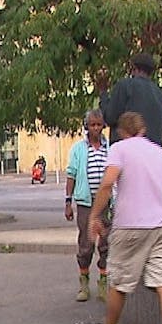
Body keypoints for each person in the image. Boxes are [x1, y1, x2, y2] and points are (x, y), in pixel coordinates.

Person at [81, 111, 162, 324]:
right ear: (142, 129)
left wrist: (94, 216)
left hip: (130, 227)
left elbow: (107, 184)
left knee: (120, 282)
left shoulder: (119, 150)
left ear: (121, 131)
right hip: (160, 227)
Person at [63, 110, 111, 302]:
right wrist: (68, 202)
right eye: (92, 125)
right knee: (86, 244)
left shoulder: (111, 149)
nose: (96, 128)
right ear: (87, 127)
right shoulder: (78, 150)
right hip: (85, 204)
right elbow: (71, 175)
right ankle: (84, 282)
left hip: (106, 204)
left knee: (106, 244)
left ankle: (103, 283)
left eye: (99, 125)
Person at [101, 53, 162, 147]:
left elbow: (110, 117)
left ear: (133, 68)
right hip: (152, 153)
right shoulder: (160, 94)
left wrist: (103, 93)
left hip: (126, 152)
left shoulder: (124, 86)